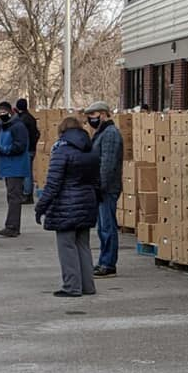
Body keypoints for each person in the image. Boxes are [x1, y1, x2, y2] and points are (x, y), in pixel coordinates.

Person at [35, 117, 100, 297]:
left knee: (67, 246)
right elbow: (97, 181)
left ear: (62, 131)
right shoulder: (92, 150)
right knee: (83, 245)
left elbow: (53, 184)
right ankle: (88, 285)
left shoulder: (61, 151)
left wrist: (41, 206)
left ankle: (72, 286)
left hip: (66, 205)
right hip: (87, 202)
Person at [85, 101, 123, 278]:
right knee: (102, 227)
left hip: (106, 188)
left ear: (103, 114)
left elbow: (108, 164)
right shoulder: (102, 133)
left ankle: (108, 263)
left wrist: (101, 185)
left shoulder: (110, 134)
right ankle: (104, 260)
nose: (90, 119)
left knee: (107, 226)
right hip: (100, 186)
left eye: (93, 115)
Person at [0, 101, 31, 238]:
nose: (1, 115)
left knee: (14, 197)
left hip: (16, 166)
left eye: (4, 113)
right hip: (8, 166)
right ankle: (12, 225)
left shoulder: (17, 127)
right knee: (11, 196)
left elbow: (20, 146)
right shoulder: (5, 127)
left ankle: (12, 226)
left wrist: (2, 149)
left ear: (10, 112)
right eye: (0, 113)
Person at [16, 98, 40, 205]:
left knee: (26, 172)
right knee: (28, 171)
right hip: (32, 148)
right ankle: (27, 193)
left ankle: (27, 194)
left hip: (26, 149)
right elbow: (37, 133)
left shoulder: (22, 120)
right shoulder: (31, 118)